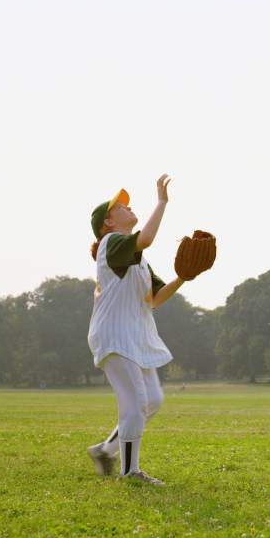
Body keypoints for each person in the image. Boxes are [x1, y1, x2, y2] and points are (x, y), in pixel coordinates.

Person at [86, 174, 184, 485]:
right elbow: (145, 239)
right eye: (120, 207)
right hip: (114, 334)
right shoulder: (111, 244)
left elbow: (155, 299)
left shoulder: (137, 260)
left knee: (152, 399)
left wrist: (184, 276)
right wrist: (162, 202)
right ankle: (130, 472)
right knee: (135, 401)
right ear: (107, 224)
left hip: (134, 337)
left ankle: (105, 450)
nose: (128, 208)